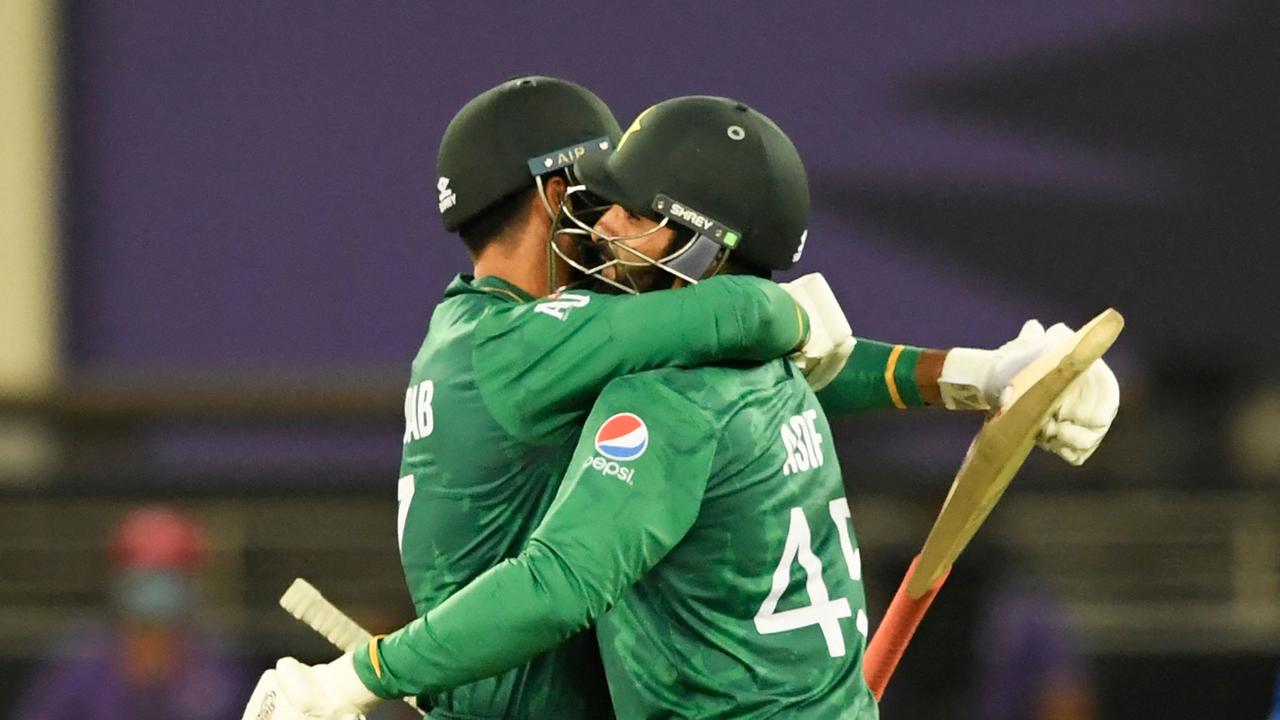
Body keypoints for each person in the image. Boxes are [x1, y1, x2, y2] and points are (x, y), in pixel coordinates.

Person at [240, 96, 1120, 720]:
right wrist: (800, 314)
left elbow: (556, 586)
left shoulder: (661, 391)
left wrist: (357, 677)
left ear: (700, 243)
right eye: (592, 197)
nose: (604, 223)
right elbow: (771, 329)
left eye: (627, 207)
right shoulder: (657, 356)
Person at [16, 506, 248, 720]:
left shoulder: (218, 664)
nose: (155, 583)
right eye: (143, 569)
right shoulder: (81, 658)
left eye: (169, 570)